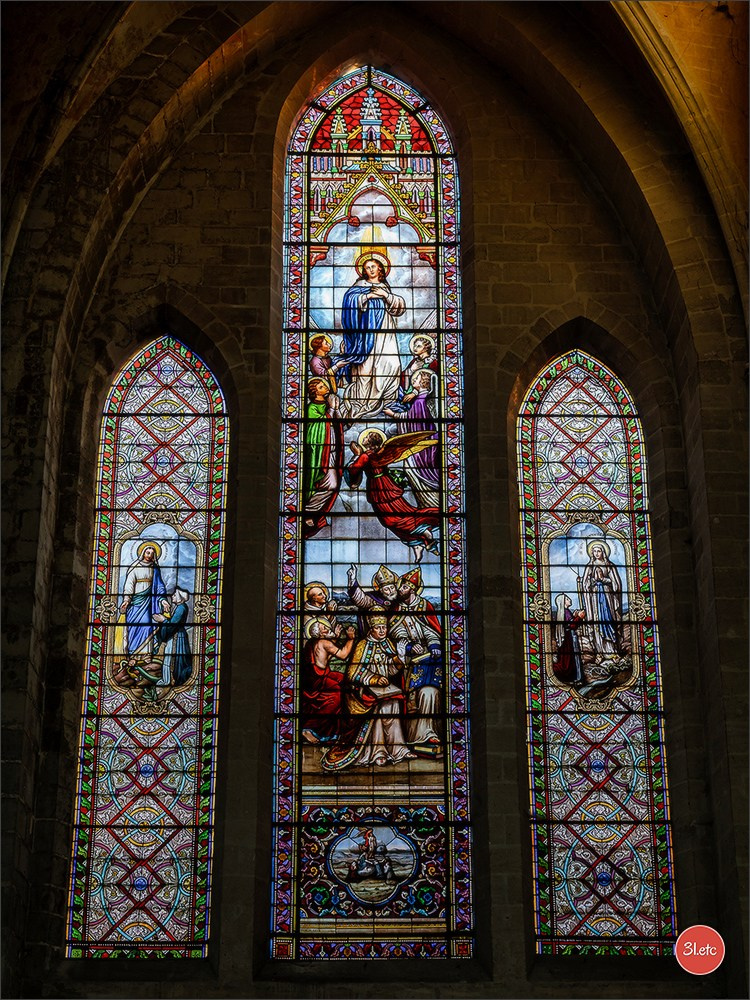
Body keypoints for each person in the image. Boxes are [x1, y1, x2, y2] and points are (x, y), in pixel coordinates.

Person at [321, 616, 416, 770]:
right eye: (378, 628)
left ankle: (398, 749)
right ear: (371, 629)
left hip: (385, 690)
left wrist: (399, 657)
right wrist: (374, 679)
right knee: (380, 709)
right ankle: (378, 752)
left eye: (384, 627)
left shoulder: (387, 643)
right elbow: (353, 673)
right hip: (362, 692)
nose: (382, 631)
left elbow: (392, 670)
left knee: (392, 705)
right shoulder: (362, 645)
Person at [344, 428, 440, 562]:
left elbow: (354, 469)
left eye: (367, 437)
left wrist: (356, 455)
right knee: (400, 514)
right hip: (386, 485)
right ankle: (418, 543)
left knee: (390, 519)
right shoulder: (377, 454)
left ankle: (423, 532)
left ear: (370, 443)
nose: (364, 438)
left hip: (379, 488)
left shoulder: (366, 456)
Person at [337, 249, 406, 420]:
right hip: (365, 336)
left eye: (374, 266)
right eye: (367, 267)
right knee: (365, 369)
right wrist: (366, 297)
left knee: (393, 364)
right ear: (364, 271)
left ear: (381, 269)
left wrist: (386, 295)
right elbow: (349, 303)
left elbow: (399, 308)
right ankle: (360, 404)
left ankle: (389, 403)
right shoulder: (358, 288)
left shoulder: (385, 288)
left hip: (386, 333)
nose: (371, 270)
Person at [390, 568, 443, 752]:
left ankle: (428, 735)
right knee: (413, 696)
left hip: (427, 664)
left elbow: (431, 629)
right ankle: (413, 737)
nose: (400, 590)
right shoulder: (397, 608)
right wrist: (410, 646)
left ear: (411, 588)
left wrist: (434, 644)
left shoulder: (424, 606)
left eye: (403, 587)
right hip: (406, 666)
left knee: (431, 693)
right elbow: (396, 631)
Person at [384, 368, 440, 508]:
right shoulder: (424, 398)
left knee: (412, 468)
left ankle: (430, 504)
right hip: (427, 441)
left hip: (423, 444)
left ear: (422, 383)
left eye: (415, 380)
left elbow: (413, 419)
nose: (412, 381)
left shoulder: (421, 400)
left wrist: (393, 415)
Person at [301, 618, 357, 744]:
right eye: (324, 628)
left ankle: (335, 730)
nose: (328, 629)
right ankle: (309, 728)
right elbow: (343, 655)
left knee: (343, 679)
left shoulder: (313, 642)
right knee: (336, 695)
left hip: (316, 677)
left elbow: (326, 657)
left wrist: (335, 639)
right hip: (319, 679)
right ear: (319, 633)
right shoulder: (324, 643)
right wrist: (351, 639)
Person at [302, 378, 343, 538]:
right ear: (314, 392)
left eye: (324, 385)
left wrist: (335, 410)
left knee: (332, 485)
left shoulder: (327, 405)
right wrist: (331, 411)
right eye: (321, 386)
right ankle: (307, 512)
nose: (325, 387)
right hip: (318, 455)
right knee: (329, 484)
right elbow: (315, 429)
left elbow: (338, 424)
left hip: (331, 452)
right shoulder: (311, 408)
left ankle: (310, 512)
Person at [119, 541, 167, 659]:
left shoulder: (155, 568)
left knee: (147, 626)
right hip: (135, 603)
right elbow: (129, 585)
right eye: (147, 552)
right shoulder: (135, 567)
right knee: (134, 627)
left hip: (149, 604)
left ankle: (146, 655)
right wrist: (126, 600)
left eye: (152, 553)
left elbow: (159, 586)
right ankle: (133, 655)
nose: (149, 555)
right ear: (142, 552)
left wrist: (162, 600)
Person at [580, 540, 623, 658]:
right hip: (595, 599)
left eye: (599, 551)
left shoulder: (609, 566)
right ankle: (599, 652)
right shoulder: (590, 566)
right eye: (594, 551)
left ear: (603, 552)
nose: (596, 553)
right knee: (596, 622)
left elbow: (616, 584)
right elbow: (585, 583)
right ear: (592, 553)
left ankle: (613, 652)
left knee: (608, 621)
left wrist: (603, 579)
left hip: (608, 598)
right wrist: (593, 581)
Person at [153, 588, 193, 686]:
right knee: (168, 657)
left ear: (179, 598)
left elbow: (173, 624)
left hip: (177, 637)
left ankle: (169, 680)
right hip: (176, 635)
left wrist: (163, 620)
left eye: (174, 595)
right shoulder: (179, 607)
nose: (172, 596)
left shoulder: (181, 608)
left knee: (172, 659)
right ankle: (166, 679)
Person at [551, 593, 585, 686]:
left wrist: (575, 617)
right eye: (567, 599)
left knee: (571, 657)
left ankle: (576, 677)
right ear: (563, 602)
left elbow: (570, 623)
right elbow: (571, 625)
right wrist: (579, 617)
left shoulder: (566, 612)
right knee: (571, 658)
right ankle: (575, 678)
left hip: (569, 637)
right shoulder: (565, 612)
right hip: (569, 638)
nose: (569, 599)